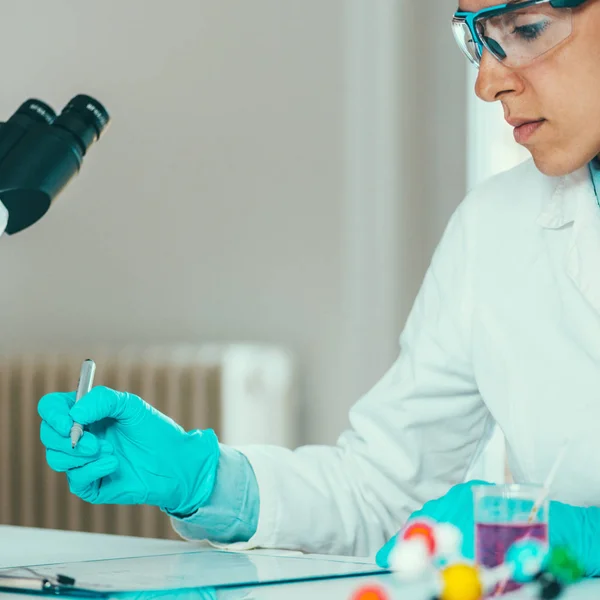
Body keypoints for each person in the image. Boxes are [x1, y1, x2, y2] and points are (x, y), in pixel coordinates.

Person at [38, 0, 600, 576]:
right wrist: (206, 477)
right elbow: (387, 490)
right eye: (479, 41)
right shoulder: (496, 223)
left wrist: (592, 536)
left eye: (527, 29)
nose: (486, 83)